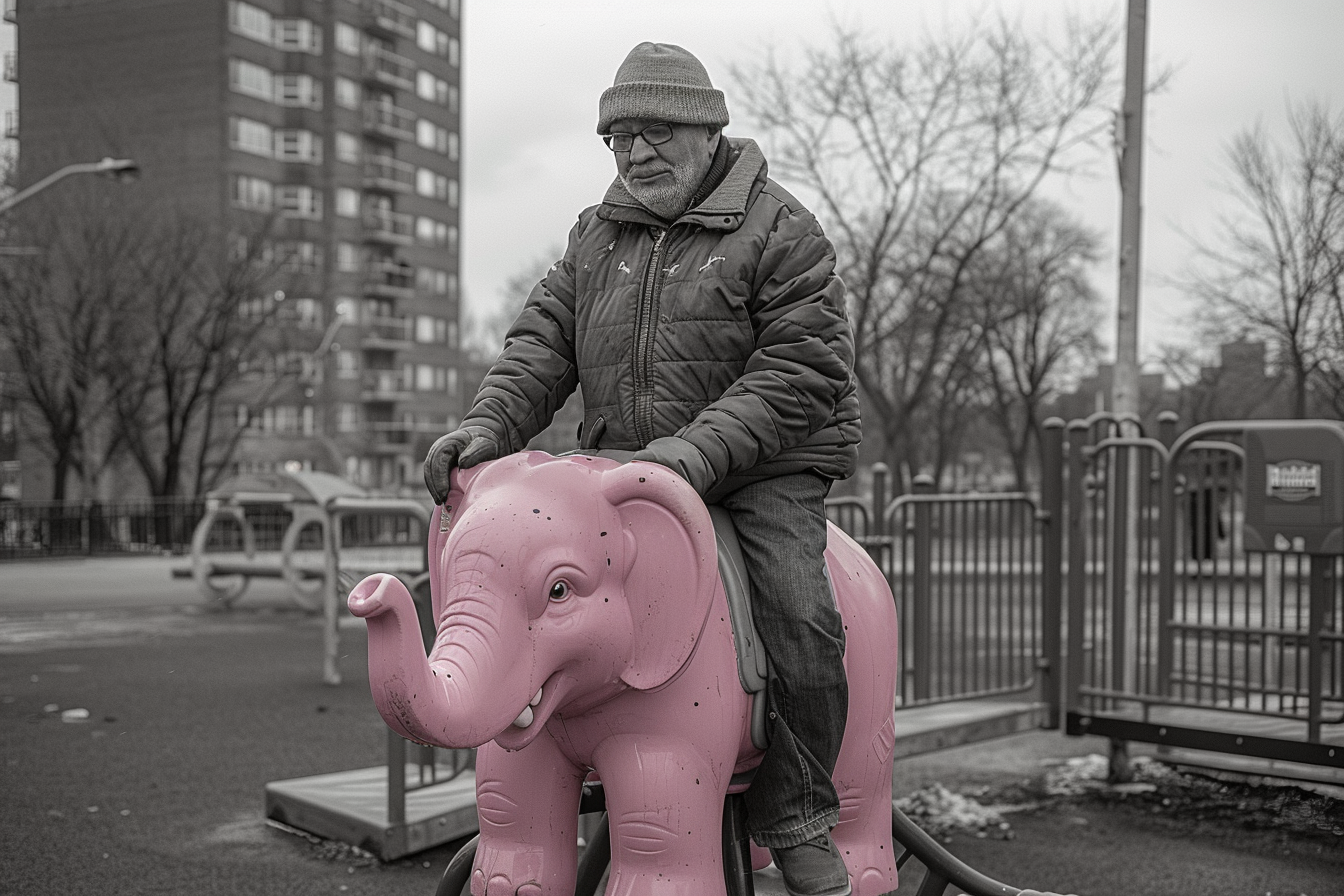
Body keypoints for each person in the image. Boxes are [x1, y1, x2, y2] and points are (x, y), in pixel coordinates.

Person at [423, 41, 861, 896]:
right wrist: (484, 431)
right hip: (634, 467)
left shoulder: (780, 228)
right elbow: (540, 347)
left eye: (654, 132)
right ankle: (532, 759)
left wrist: (691, 455)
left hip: (765, 464)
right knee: (520, 582)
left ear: (705, 130)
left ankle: (799, 810)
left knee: (800, 614)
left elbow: (800, 371)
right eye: (618, 138)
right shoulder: (597, 234)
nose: (635, 154)